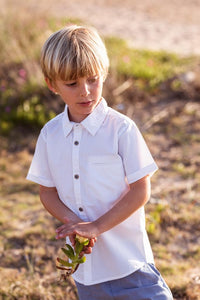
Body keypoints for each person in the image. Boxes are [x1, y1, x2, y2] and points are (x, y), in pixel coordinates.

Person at [27, 24, 173, 300]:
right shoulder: (50, 135)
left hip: (130, 263)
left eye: (93, 79)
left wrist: (96, 226)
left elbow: (141, 190)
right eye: (72, 84)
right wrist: (74, 223)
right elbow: (47, 191)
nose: (85, 91)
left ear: (104, 73)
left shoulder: (121, 130)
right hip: (88, 274)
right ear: (51, 84)